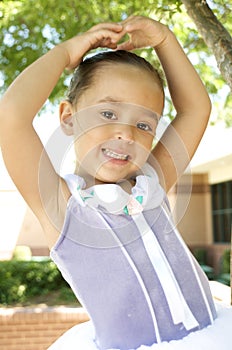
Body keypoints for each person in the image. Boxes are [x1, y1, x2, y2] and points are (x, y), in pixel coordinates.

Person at [0, 15, 231, 350]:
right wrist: (66, 54)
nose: (126, 133)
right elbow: (12, 115)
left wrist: (164, 40)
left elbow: (196, 107)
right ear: (68, 117)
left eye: (144, 125)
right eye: (108, 114)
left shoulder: (151, 182)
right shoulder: (64, 208)